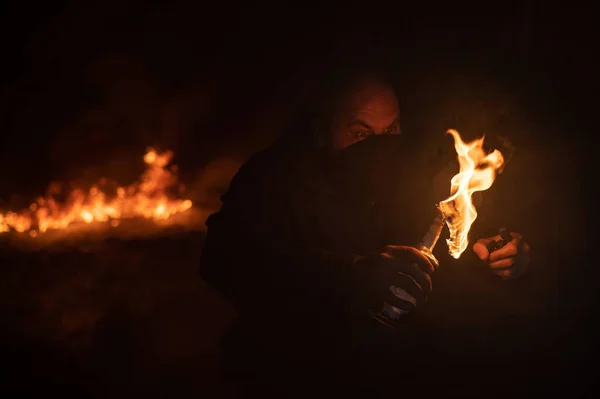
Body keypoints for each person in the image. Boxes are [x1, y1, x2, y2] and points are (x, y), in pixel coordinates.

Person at [200, 67, 533, 397]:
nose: (380, 147)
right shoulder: (275, 178)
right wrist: (349, 274)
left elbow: (444, 246)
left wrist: (494, 255)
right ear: (321, 132)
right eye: (361, 134)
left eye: (391, 129)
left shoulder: (410, 176)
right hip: (293, 376)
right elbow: (224, 259)